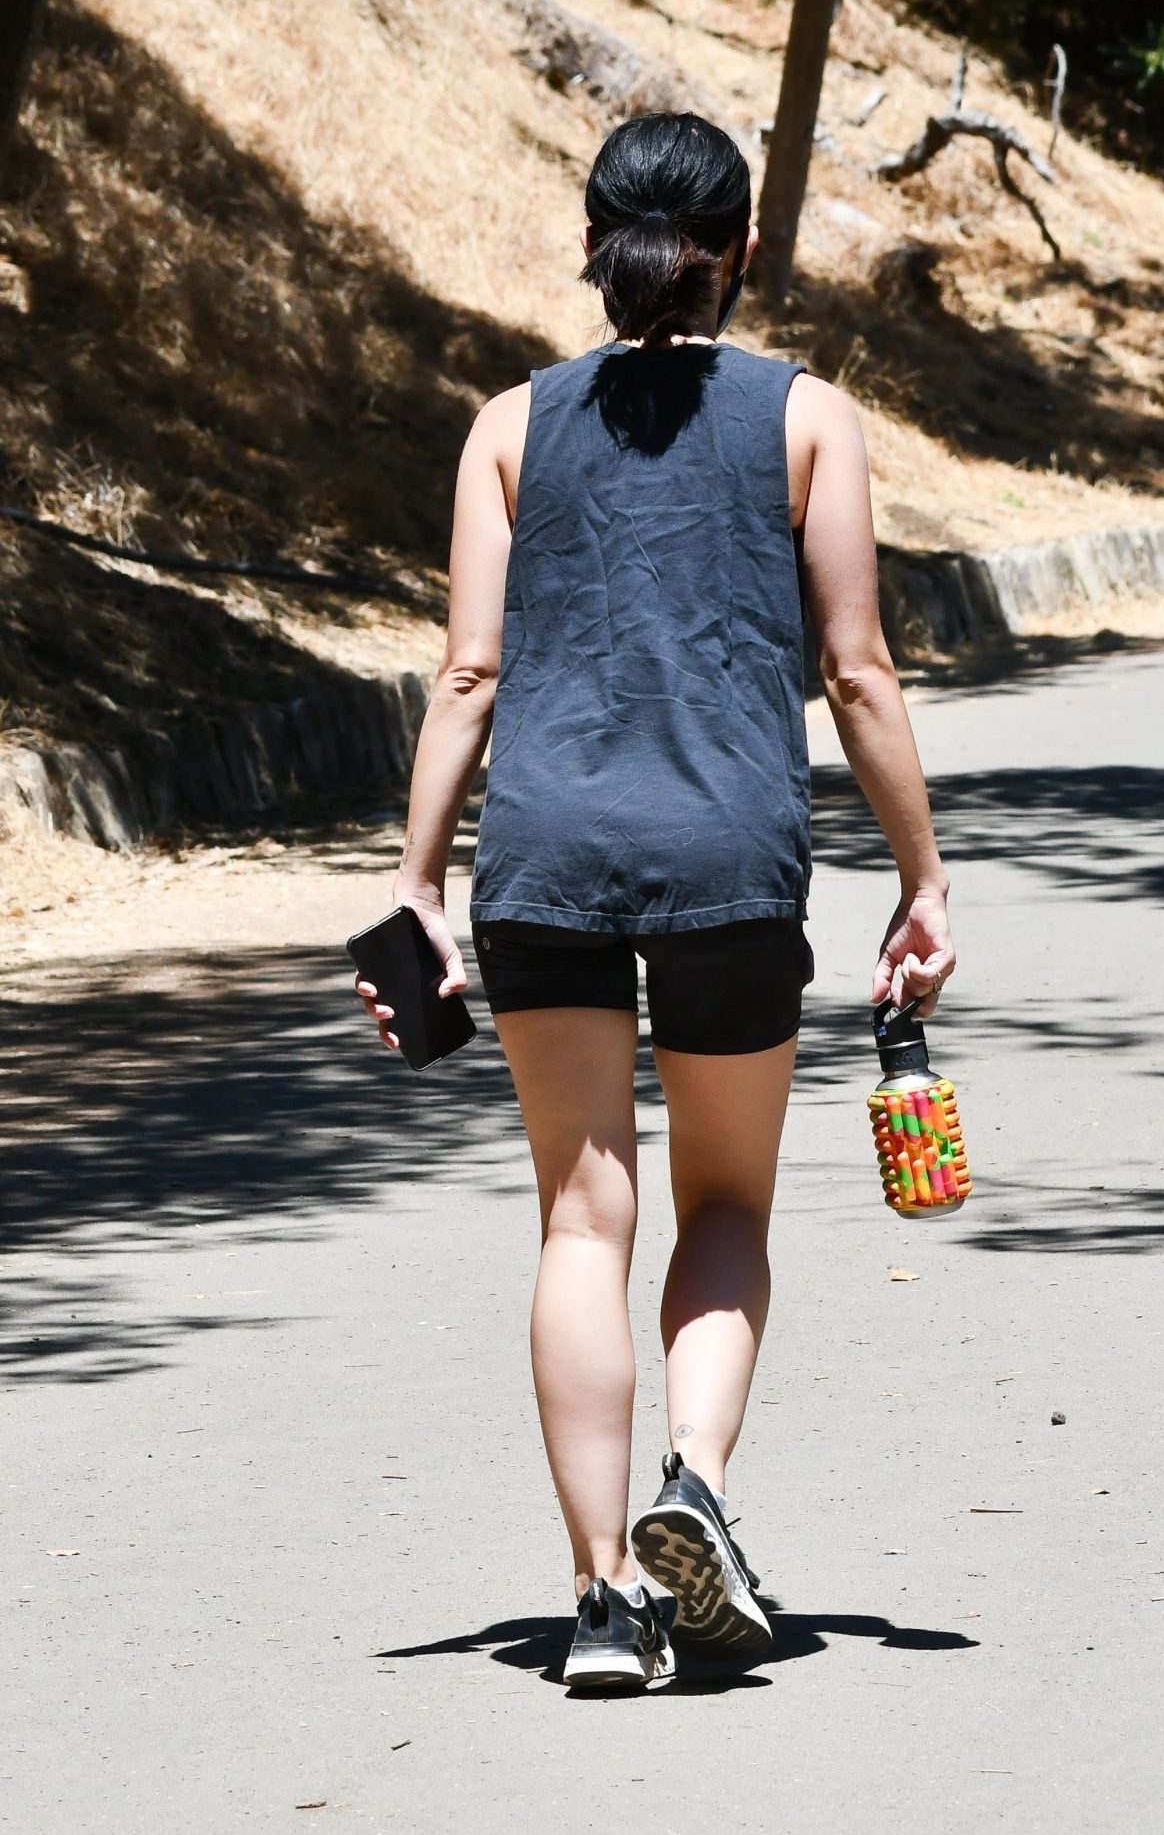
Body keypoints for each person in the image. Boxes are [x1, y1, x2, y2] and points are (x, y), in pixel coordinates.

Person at [355, 112, 954, 1689]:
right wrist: (923, 875)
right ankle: (695, 1479)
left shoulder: (507, 425)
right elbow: (858, 670)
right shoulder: (806, 417)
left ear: (594, 237)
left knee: (579, 1214)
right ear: (742, 247)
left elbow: (470, 674)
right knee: (729, 1209)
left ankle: (603, 1595)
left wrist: (417, 885)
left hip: (540, 863)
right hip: (728, 866)